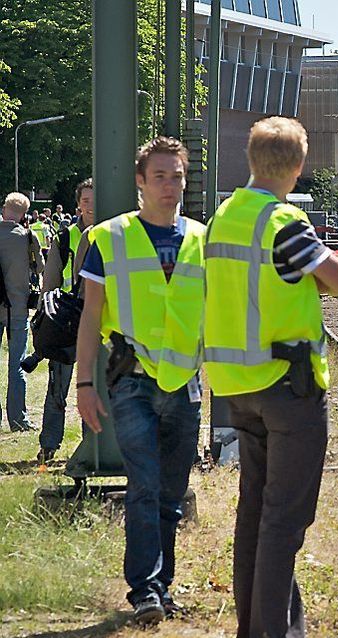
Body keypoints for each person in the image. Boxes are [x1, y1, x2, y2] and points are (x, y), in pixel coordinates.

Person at [203, 117, 338, 638]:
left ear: (250, 161)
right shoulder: (282, 220)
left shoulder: (224, 216)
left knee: (254, 516)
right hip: (288, 388)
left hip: (235, 387)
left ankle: (258, 627)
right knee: (284, 521)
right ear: (298, 166)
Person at [76, 138, 204, 624]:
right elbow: (91, 316)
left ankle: (162, 586)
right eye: (160, 177)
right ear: (139, 182)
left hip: (185, 383)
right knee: (144, 486)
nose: (170, 187)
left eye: (177, 177)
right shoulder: (110, 236)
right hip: (131, 380)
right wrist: (84, 385)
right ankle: (145, 591)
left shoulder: (200, 237)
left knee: (171, 494)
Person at [37, 178, 94, 463]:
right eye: (86, 201)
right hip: (66, 320)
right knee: (57, 386)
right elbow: (51, 279)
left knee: (93, 386)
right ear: (78, 204)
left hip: (94, 320)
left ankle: (91, 443)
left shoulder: (109, 234)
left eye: (95, 201)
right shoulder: (66, 236)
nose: (91, 206)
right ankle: (49, 444)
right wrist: (45, 315)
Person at [0, 193, 44, 432]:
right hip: (17, 308)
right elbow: (41, 268)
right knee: (16, 364)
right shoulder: (27, 236)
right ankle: (18, 419)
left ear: (4, 208)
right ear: (24, 214)